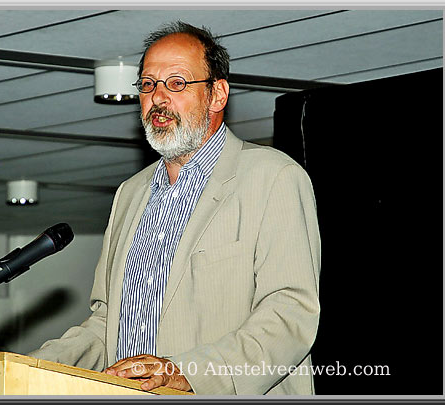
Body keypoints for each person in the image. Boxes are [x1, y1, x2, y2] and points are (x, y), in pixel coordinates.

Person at [29, 21, 321, 395]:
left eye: (177, 83)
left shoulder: (273, 177)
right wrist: (32, 366)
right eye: (148, 85)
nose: (158, 98)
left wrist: (188, 372)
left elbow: (289, 314)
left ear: (217, 95)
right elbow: (107, 323)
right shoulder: (130, 194)